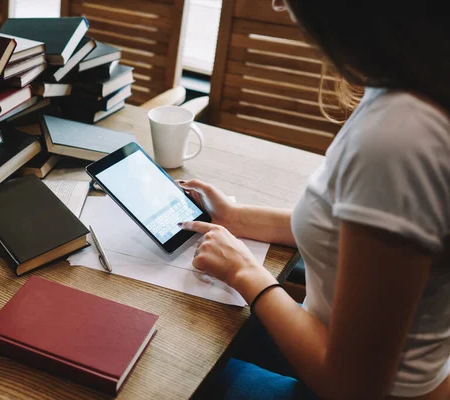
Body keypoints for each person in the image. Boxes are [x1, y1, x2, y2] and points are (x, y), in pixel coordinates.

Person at [178, 0, 450, 399]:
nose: (277, 3)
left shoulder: (398, 140)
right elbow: (350, 233)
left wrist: (246, 273)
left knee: (175, 369)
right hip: (349, 353)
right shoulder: (410, 91)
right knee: (202, 325)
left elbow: (351, 387)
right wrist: (236, 218)